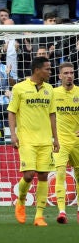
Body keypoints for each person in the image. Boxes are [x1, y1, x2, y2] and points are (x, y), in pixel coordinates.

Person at [8, 56, 59, 226]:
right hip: (27, 139)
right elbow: (12, 112)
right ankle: (21, 201)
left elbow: (52, 115)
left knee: (43, 175)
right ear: (37, 70)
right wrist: (13, 135)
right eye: (47, 69)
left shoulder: (50, 89)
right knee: (29, 175)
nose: (50, 72)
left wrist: (55, 138)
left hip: (45, 140)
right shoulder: (19, 88)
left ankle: (39, 216)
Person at [53, 62, 79, 224]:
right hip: (61, 141)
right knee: (60, 174)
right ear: (60, 76)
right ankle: (62, 211)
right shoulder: (53, 93)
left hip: (77, 141)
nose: (69, 75)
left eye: (72, 72)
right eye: (66, 73)